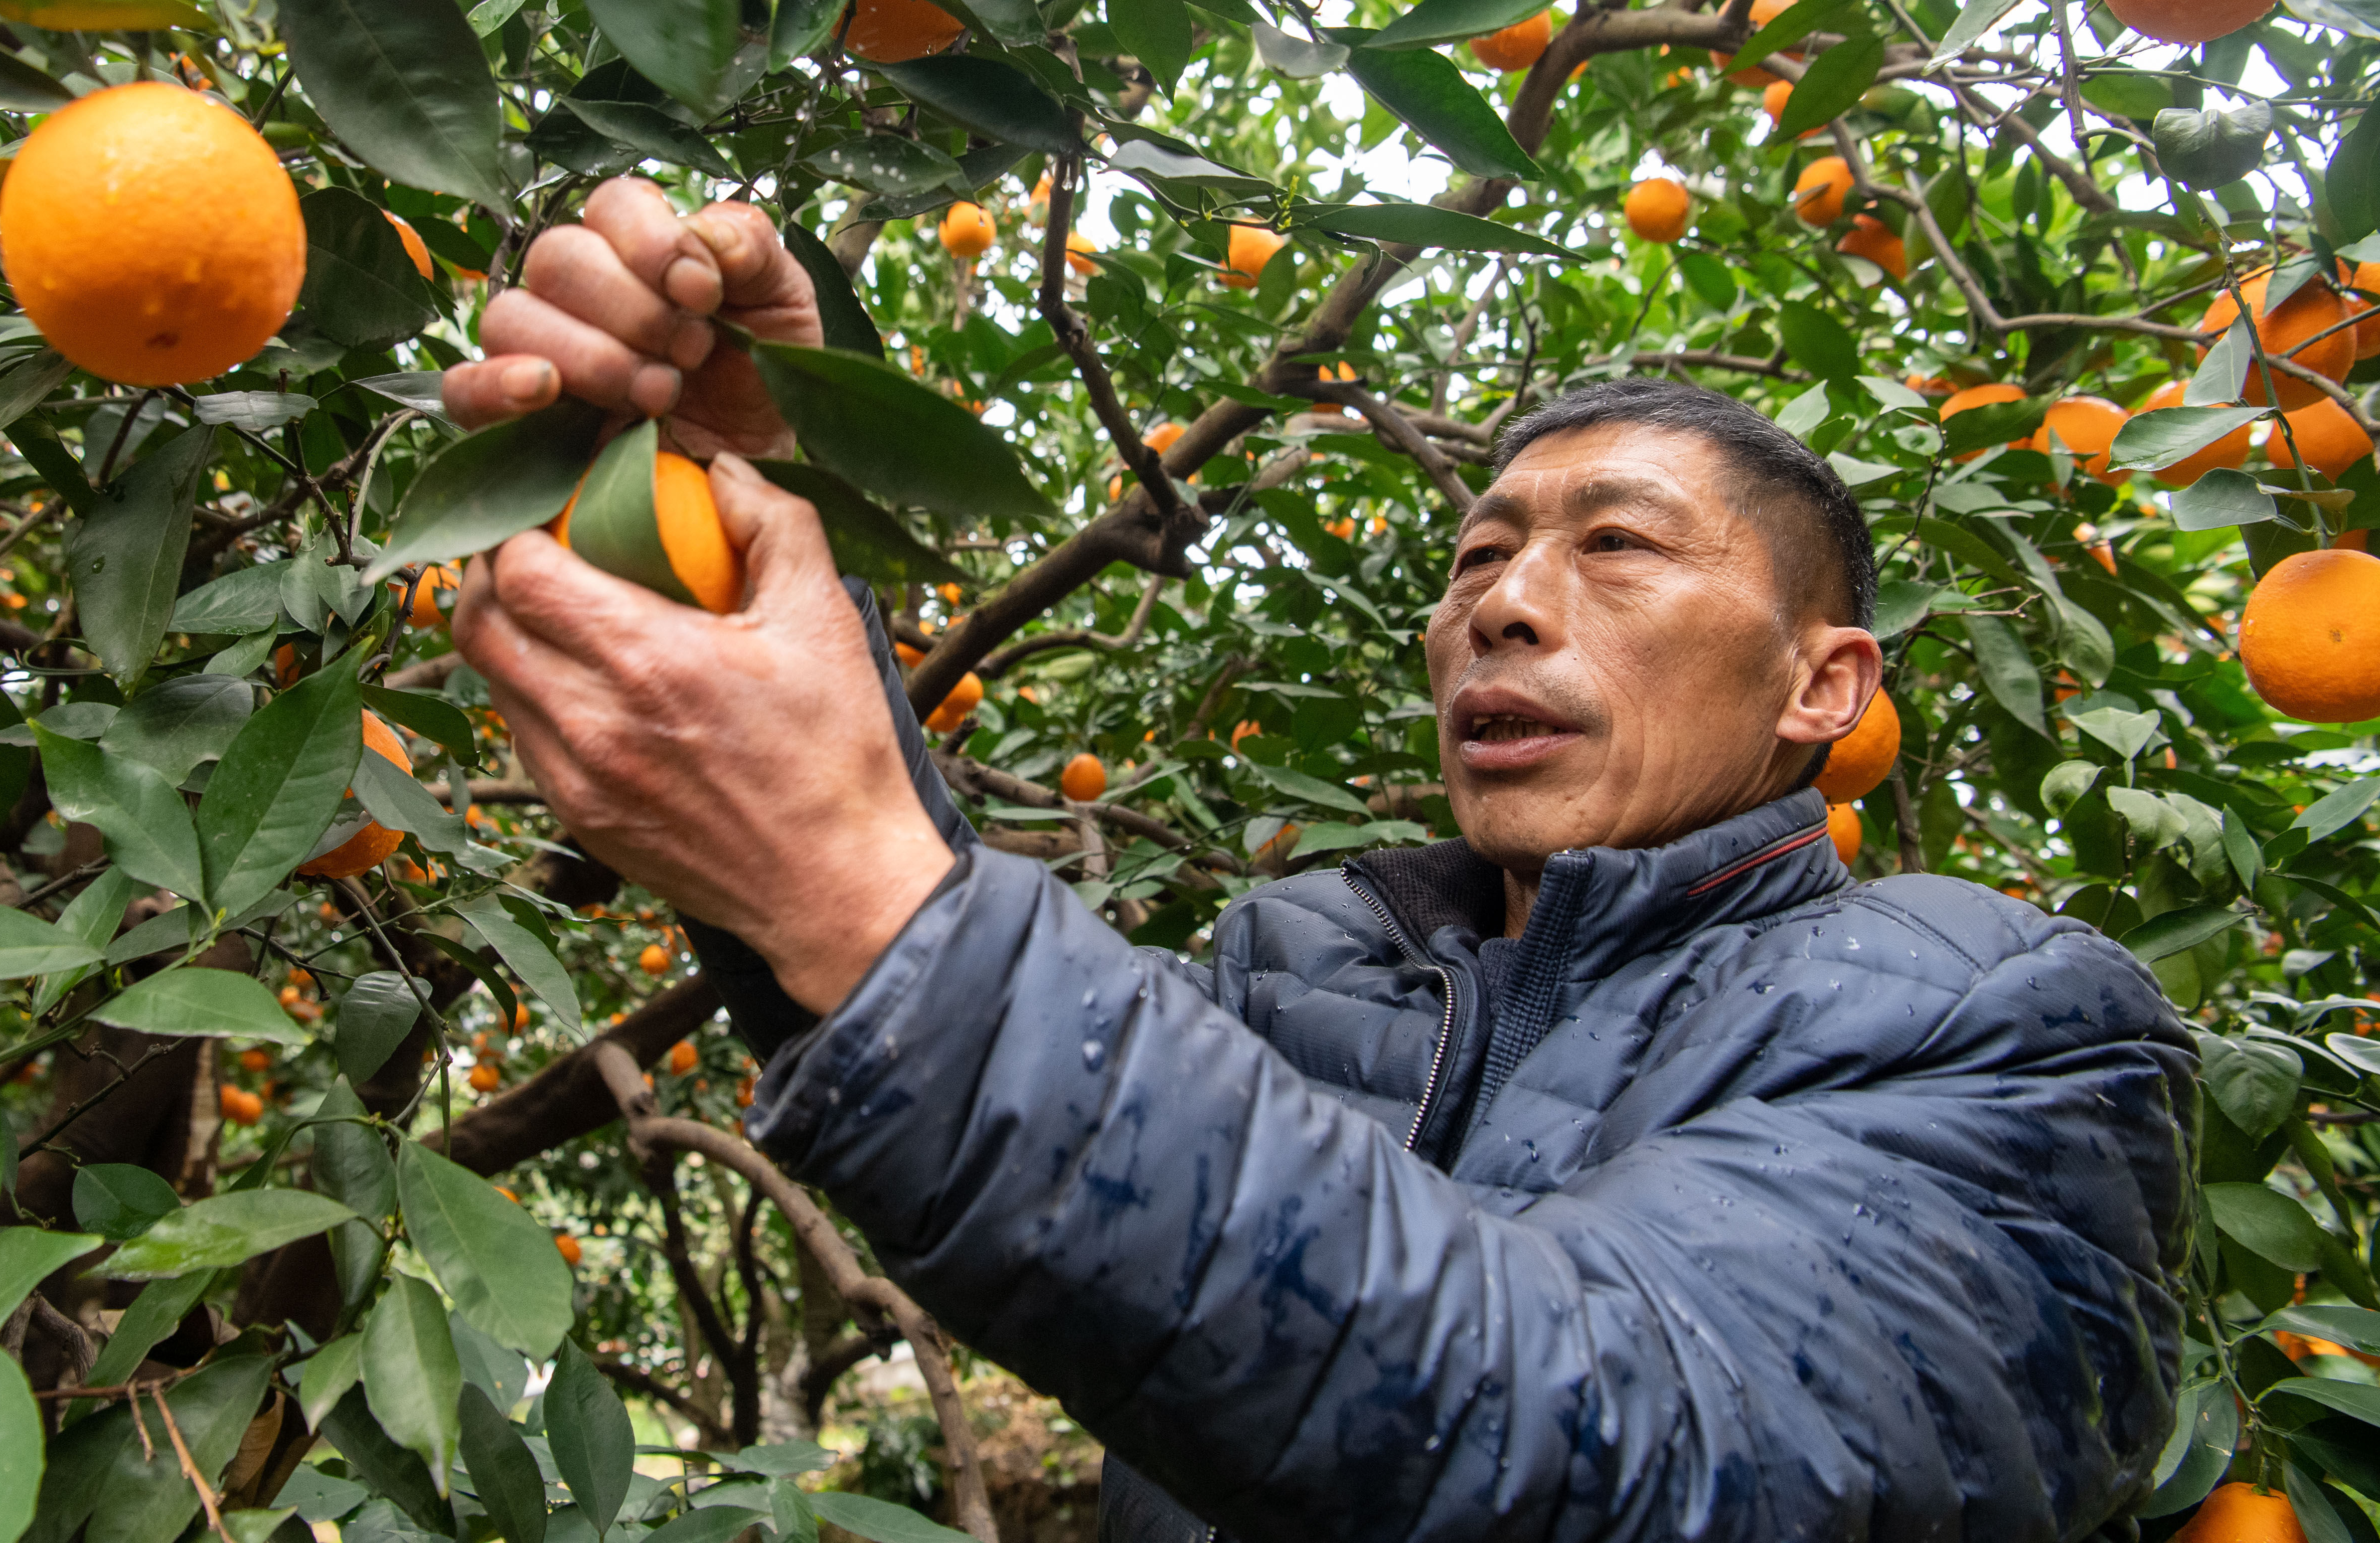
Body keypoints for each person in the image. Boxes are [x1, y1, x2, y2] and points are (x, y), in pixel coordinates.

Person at [445, 180, 2196, 1542]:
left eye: (1620, 547)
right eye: (1480, 555)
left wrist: (854, 882)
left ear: (1826, 684)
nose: (1501, 602)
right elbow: (1028, 1094)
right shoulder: (1309, 966)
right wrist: (741, 534)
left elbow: (1631, 1455)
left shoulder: (2012, 1026)